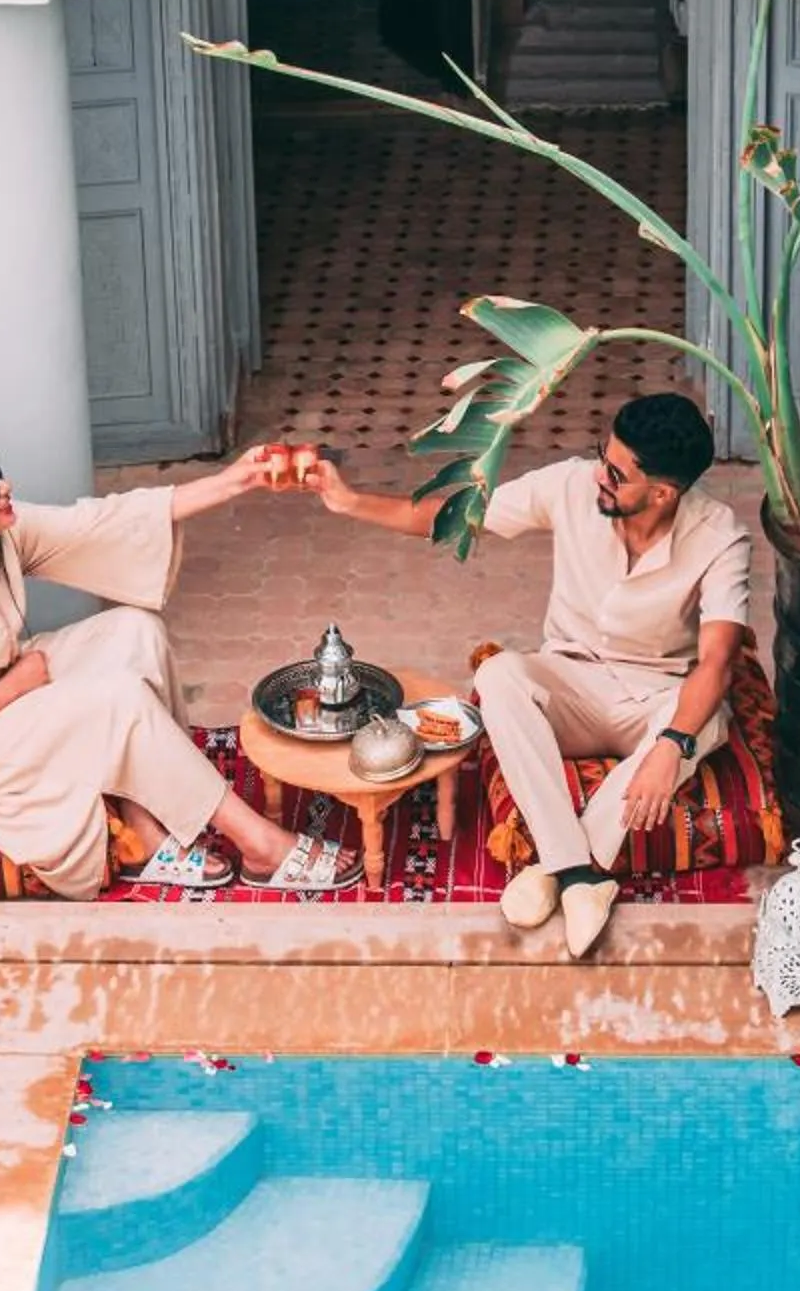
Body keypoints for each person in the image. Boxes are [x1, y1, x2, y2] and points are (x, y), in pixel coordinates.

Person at [306, 393, 751, 955]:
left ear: (663, 493)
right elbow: (453, 517)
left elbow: (717, 660)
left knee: (704, 722)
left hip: (654, 699)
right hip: (572, 686)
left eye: (617, 473)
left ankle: (557, 866)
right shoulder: (571, 487)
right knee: (499, 677)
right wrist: (347, 501)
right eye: (601, 456)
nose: (599, 476)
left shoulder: (720, 537)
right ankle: (581, 874)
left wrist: (671, 744)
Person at [0, 440, 360, 898]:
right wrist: (15, 686)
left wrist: (236, 479)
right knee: (119, 701)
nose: (6, 487)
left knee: (135, 631)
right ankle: (259, 845)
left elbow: (107, 521)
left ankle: (144, 824)